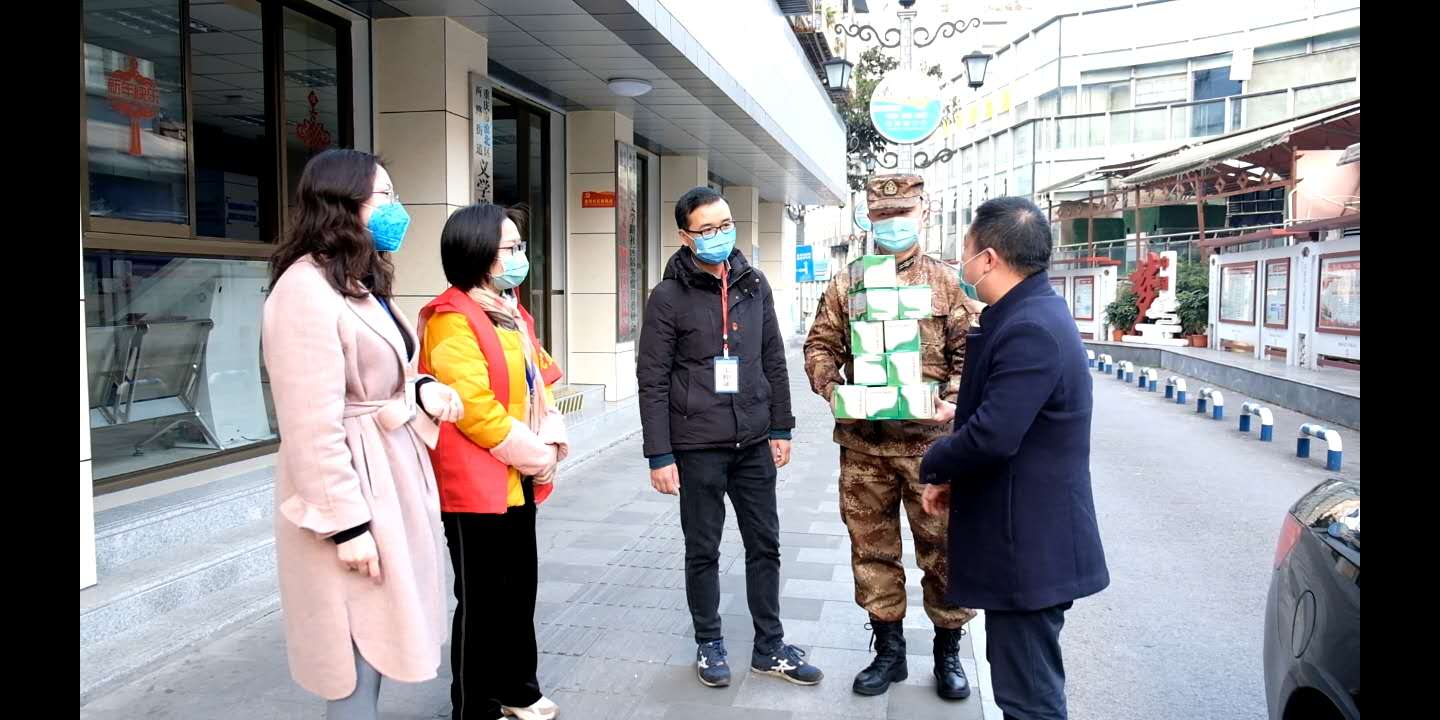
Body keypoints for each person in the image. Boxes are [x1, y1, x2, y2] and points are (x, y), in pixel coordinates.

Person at [263, 149, 465, 720]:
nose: (397, 209)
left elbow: (391, 371)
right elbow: (311, 424)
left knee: (378, 634)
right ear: (342, 202)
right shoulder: (304, 291)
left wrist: (422, 390)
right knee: (355, 646)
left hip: (388, 473)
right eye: (385, 196)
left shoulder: (356, 282)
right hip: (351, 486)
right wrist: (347, 526)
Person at [919, 196, 1110, 720]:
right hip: (1023, 540)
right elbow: (1007, 416)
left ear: (989, 259)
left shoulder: (1030, 327)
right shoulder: (1029, 313)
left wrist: (935, 464)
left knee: (1029, 700)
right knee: (1021, 687)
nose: (962, 266)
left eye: (965, 253)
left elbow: (993, 436)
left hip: (1027, 550)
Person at [803, 173, 981, 700]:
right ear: (867, 219)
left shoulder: (947, 283)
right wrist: (834, 390)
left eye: (902, 213)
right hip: (865, 447)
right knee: (872, 550)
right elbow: (820, 346)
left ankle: (948, 651)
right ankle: (888, 651)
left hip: (933, 448)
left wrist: (951, 399)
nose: (892, 224)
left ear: (922, 212)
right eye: (882, 215)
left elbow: (970, 352)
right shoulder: (847, 284)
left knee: (944, 550)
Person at [637, 186, 823, 689]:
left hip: (754, 440)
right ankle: (709, 641)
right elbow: (652, 379)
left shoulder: (753, 284)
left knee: (766, 544)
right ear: (685, 236)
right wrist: (659, 454)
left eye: (724, 225)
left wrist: (781, 426)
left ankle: (770, 646)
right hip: (697, 445)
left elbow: (773, 359)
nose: (718, 235)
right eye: (706, 229)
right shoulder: (668, 297)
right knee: (703, 549)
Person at [417, 204, 568, 720]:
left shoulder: (510, 311)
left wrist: (549, 442)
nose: (520, 256)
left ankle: (518, 690)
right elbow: (474, 408)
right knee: (481, 599)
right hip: (473, 484)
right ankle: (475, 707)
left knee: (519, 588)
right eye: (511, 247)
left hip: (515, 475)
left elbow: (539, 381)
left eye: (520, 246)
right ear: (478, 252)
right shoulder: (451, 318)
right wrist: (537, 455)